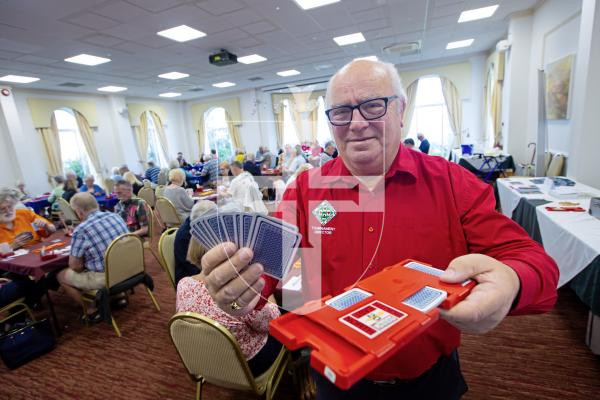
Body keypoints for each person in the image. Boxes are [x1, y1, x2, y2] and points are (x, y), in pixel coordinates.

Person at [199, 60, 559, 399]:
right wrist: (238, 289)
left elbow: (533, 262)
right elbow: (273, 277)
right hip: (336, 380)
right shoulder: (304, 191)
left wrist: (511, 281)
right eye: (341, 112)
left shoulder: (452, 183)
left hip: (430, 380)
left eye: (373, 106)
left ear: (401, 111)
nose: (356, 123)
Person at [176, 225, 282, 376]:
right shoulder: (238, 299)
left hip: (202, 360)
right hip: (246, 367)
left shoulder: (183, 284)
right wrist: (265, 289)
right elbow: (273, 322)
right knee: (286, 327)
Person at [56, 193, 128, 321]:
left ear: (79, 212)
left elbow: (75, 266)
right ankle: (118, 295)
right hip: (129, 268)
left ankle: (91, 310)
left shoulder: (82, 229)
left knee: (61, 275)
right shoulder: (116, 216)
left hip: (106, 278)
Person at [173, 200, 215, 285]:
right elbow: (192, 266)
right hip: (189, 278)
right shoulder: (185, 236)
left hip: (201, 269)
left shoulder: (195, 226)